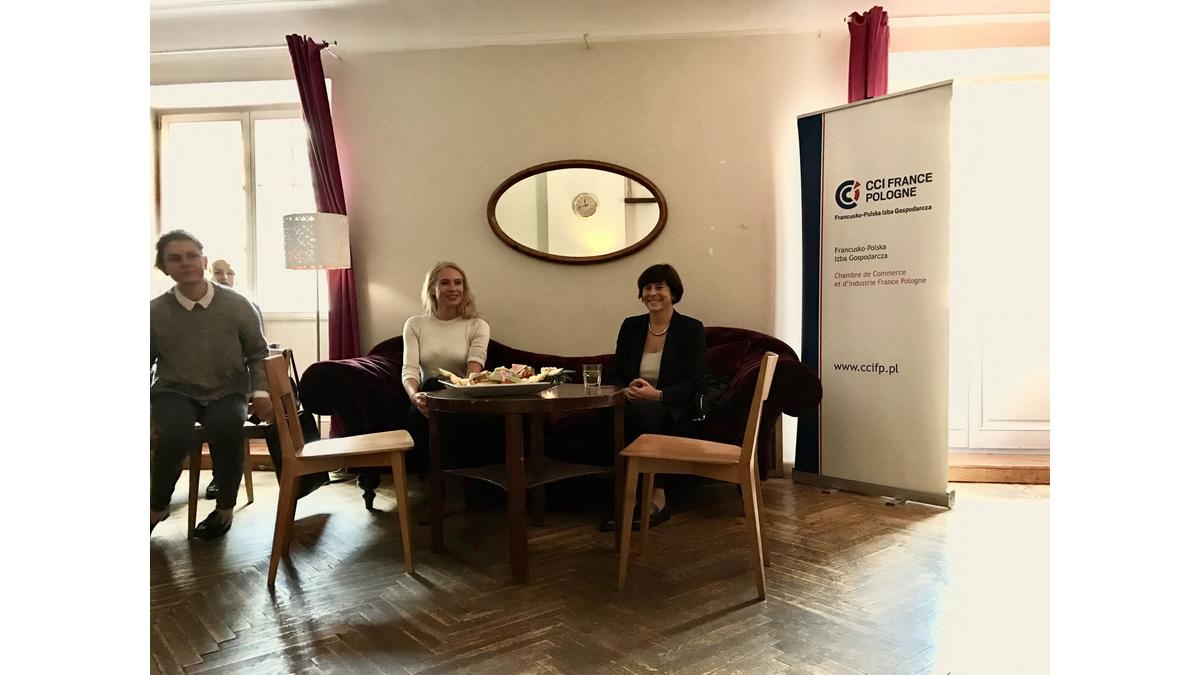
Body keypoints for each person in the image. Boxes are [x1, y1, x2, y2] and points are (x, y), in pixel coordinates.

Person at [150, 230, 273, 538]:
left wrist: (260, 392)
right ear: (164, 267)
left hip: (227, 390)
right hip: (174, 390)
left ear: (203, 261)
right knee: (173, 433)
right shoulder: (153, 311)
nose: (185, 263)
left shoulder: (238, 305)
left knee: (227, 428)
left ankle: (224, 509)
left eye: (192, 256)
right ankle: (156, 506)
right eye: (175, 258)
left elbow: (258, 353)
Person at [356, 261, 491, 509]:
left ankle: (444, 492)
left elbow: (474, 370)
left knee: (434, 386)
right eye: (445, 283)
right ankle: (445, 492)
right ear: (432, 290)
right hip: (426, 401)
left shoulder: (477, 325)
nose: (453, 288)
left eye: (458, 283)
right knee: (429, 386)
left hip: (462, 397)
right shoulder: (415, 324)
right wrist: (414, 396)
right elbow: (409, 369)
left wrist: (457, 392)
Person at [600, 263, 707, 532]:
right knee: (616, 413)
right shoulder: (631, 326)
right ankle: (628, 497)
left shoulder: (690, 328)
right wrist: (625, 389)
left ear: (673, 293)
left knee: (642, 415)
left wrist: (657, 395)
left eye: (660, 287)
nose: (652, 293)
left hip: (671, 405)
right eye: (647, 287)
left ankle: (656, 495)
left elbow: (696, 383)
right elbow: (615, 374)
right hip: (633, 401)